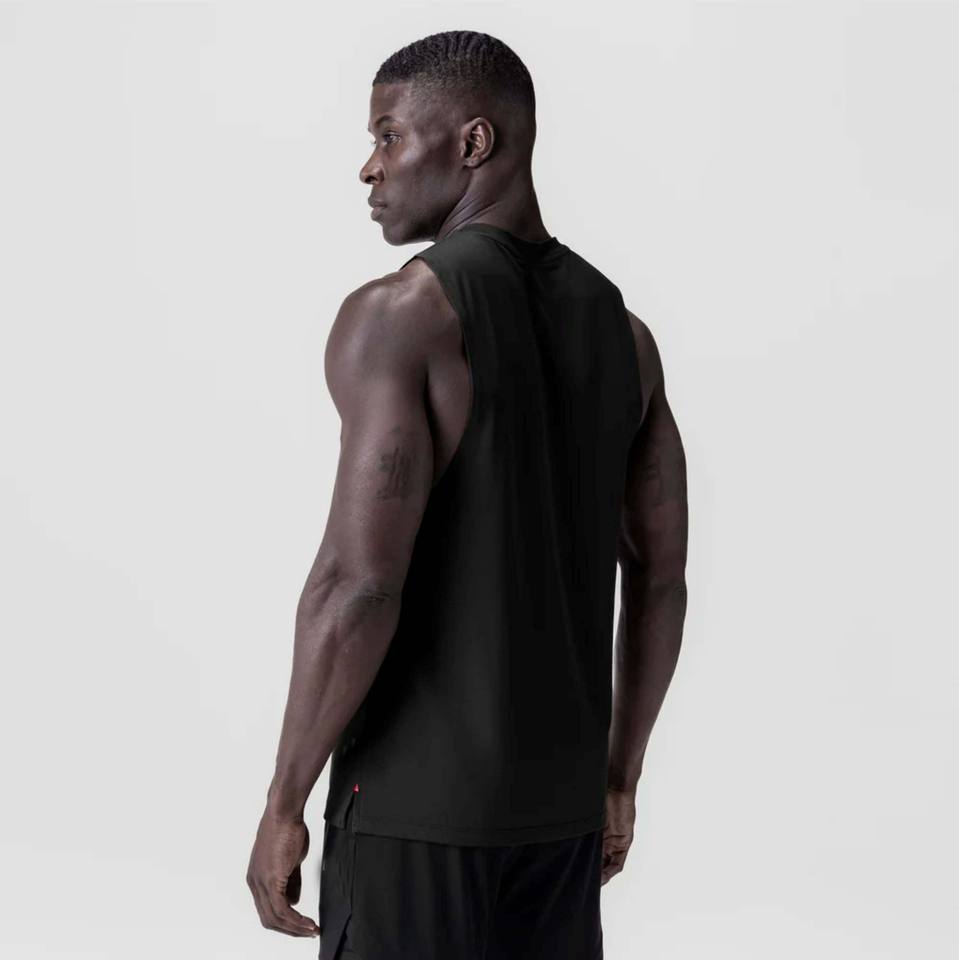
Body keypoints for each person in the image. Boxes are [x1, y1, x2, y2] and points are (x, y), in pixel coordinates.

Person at [246, 29, 688, 960]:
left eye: (389, 135)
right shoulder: (627, 336)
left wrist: (285, 800)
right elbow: (659, 581)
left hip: (413, 818)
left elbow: (357, 584)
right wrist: (618, 780)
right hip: (560, 821)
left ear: (473, 142)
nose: (369, 168)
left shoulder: (400, 317)